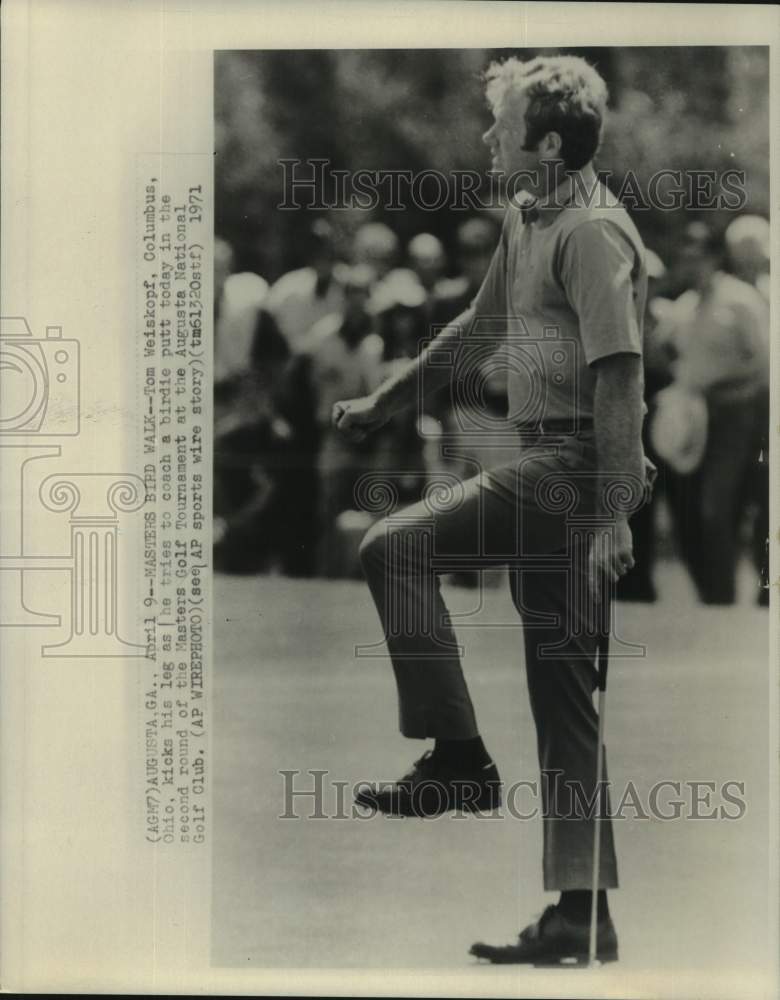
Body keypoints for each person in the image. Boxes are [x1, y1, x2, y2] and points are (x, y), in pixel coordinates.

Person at [333, 55, 652, 965]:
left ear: (547, 145)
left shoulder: (591, 232)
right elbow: (474, 332)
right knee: (567, 698)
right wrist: (385, 402)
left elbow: (620, 378)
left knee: (392, 548)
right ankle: (579, 914)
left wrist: (615, 512)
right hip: (551, 459)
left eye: (500, 129)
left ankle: (461, 762)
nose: (487, 141)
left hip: (575, 465)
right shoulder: (531, 213)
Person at [659, 221, 769, 605]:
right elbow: (676, 358)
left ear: (715, 258)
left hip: (734, 414)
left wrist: (723, 389)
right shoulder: (687, 306)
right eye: (685, 259)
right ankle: (711, 595)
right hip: (691, 417)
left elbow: (763, 362)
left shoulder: (739, 300)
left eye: (698, 258)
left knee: (717, 508)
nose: (692, 266)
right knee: (689, 510)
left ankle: (721, 598)